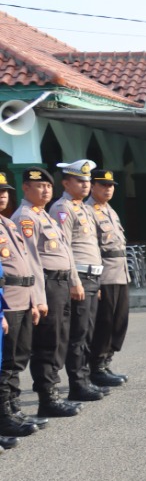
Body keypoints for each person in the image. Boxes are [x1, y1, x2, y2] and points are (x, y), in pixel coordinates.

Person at [13, 168, 80, 420]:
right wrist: (38, 298)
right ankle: (47, 398)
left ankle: (53, 392)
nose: (45, 190)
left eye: (48, 187)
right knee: (47, 342)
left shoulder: (46, 216)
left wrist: (73, 281)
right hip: (47, 285)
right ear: (25, 188)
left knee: (60, 339)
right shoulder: (25, 218)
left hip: (60, 284)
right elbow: (31, 261)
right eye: (39, 186)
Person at [49, 159, 108, 402]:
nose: (85, 185)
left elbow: (91, 246)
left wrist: (99, 280)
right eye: (79, 181)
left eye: (87, 181)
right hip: (79, 277)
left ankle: (85, 379)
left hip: (92, 276)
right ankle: (77, 383)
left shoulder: (83, 208)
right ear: (66, 183)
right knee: (78, 333)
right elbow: (64, 249)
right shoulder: (62, 209)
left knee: (88, 332)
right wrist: (75, 281)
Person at [0, 169, 39, 446]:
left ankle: (13, 408)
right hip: (7, 301)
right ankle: (4, 415)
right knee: (5, 363)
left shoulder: (8, 224)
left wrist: (34, 300)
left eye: (4, 192)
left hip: (22, 297)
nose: (2, 197)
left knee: (17, 358)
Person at [86, 167, 130, 388]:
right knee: (104, 322)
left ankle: (107, 361)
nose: (108, 188)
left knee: (119, 321)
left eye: (111, 185)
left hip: (120, 273)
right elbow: (91, 248)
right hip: (104, 275)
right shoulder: (88, 211)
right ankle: (97, 366)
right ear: (92, 185)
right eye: (103, 184)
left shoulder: (110, 210)